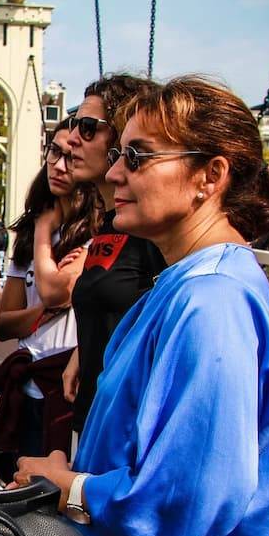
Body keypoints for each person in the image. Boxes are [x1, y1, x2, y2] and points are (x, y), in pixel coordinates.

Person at [13, 76, 269, 536]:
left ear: (209, 177)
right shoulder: (189, 284)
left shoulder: (212, 300)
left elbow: (188, 492)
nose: (115, 174)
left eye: (137, 157)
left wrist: (69, 489)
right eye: (118, 155)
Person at [0, 118, 96, 477]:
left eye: (71, 156)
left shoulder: (95, 236)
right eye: (54, 153)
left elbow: (57, 291)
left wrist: (45, 229)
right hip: (27, 387)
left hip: (66, 387)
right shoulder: (30, 234)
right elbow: (3, 324)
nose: (60, 166)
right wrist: (44, 310)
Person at [62, 75, 166, 447]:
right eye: (74, 123)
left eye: (88, 128)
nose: (72, 138)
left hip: (125, 430)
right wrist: (83, 350)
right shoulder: (110, 224)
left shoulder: (153, 233)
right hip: (93, 414)